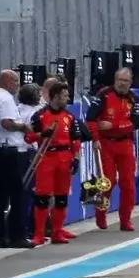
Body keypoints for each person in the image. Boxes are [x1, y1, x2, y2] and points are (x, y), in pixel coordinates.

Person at [25, 79, 87, 246]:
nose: (67, 99)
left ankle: (57, 231)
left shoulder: (69, 117)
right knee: (42, 197)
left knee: (61, 197)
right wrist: (42, 134)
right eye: (64, 96)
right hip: (47, 157)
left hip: (65, 158)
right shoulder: (39, 116)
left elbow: (76, 140)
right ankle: (39, 234)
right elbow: (28, 137)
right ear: (55, 97)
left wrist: (76, 159)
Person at [85, 68, 139, 232]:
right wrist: (95, 138)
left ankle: (126, 219)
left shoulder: (135, 99)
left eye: (126, 81)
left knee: (128, 184)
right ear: (115, 80)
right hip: (105, 144)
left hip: (125, 144)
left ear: (130, 82)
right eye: (120, 80)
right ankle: (100, 213)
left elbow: (135, 123)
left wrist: (114, 125)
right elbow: (90, 119)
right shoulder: (103, 95)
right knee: (107, 182)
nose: (122, 84)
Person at [0, 70, 31, 247]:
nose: (18, 85)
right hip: (7, 150)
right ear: (6, 81)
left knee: (0, 195)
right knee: (17, 194)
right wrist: (23, 127)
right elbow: (7, 123)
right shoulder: (6, 99)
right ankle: (17, 235)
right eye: (15, 81)